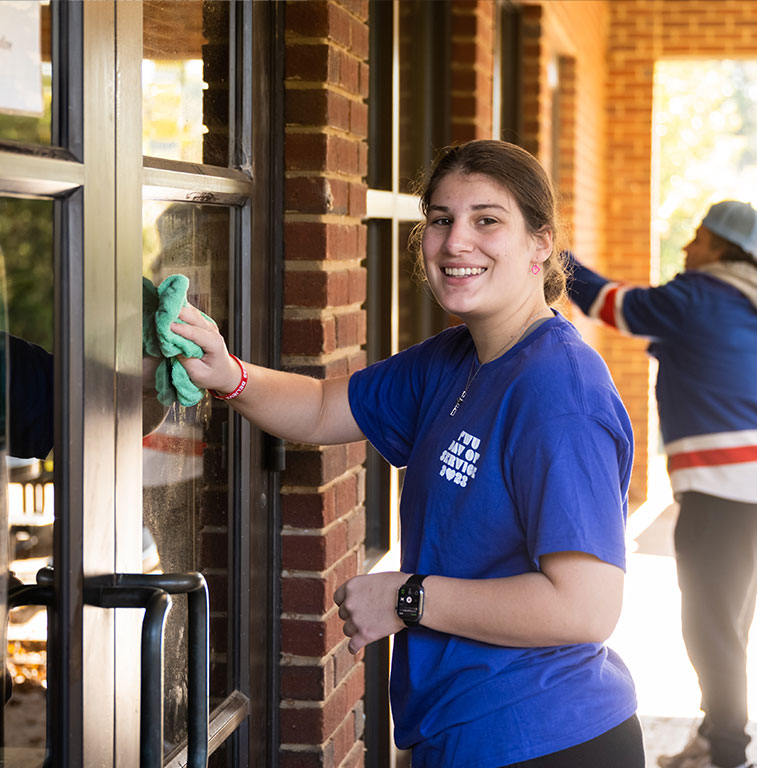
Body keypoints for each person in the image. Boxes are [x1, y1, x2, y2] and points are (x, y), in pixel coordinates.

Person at [173, 139, 643, 767]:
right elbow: (319, 407)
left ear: (541, 245)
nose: (456, 242)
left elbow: (585, 606)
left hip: (545, 736)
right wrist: (226, 372)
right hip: (459, 732)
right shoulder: (456, 358)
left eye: (487, 220)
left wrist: (407, 598)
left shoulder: (560, 391)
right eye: (442, 220)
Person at [563, 201, 757, 768]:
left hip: (726, 490)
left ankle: (728, 757)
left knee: (708, 626)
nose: (688, 247)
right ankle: (716, 738)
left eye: (698, 236)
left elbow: (610, 303)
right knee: (730, 621)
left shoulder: (698, 295)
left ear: (721, 246)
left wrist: (551, 253)